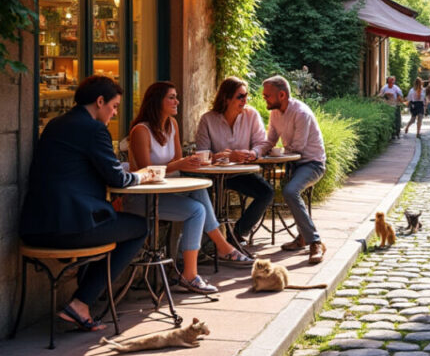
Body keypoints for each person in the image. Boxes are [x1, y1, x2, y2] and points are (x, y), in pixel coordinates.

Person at [19, 76, 150, 332]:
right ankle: (81, 302)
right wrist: (142, 176)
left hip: (34, 227)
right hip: (70, 229)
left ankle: (85, 291)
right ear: (100, 102)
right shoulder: (94, 130)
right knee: (140, 227)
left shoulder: (56, 124)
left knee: (110, 223)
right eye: (113, 106)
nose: (114, 113)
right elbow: (117, 178)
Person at [126, 82, 253, 296]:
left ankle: (218, 250)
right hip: (143, 197)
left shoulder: (172, 125)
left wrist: (197, 162)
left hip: (166, 190)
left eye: (176, 97)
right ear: (157, 101)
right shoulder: (141, 131)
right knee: (196, 210)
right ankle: (193, 272)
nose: (177, 101)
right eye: (171, 97)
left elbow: (177, 163)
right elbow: (146, 172)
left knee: (199, 191)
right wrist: (180, 164)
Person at [194, 76, 274, 249]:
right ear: (226, 98)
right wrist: (226, 157)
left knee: (266, 192)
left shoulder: (251, 115)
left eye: (246, 96)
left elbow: (262, 143)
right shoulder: (208, 120)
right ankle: (208, 242)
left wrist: (253, 153)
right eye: (240, 96)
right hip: (213, 176)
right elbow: (202, 154)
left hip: (241, 173)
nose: (245, 100)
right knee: (204, 198)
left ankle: (237, 234)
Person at [259, 75, 328, 264]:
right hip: (292, 164)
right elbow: (270, 140)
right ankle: (303, 237)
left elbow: (298, 147)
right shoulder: (275, 113)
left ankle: (315, 242)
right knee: (276, 190)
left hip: (312, 163)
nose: (264, 98)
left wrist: (276, 153)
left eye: (267, 95)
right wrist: (254, 152)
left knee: (290, 191)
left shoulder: (301, 113)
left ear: (282, 95)